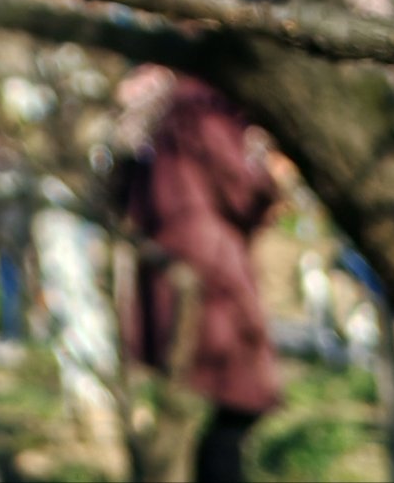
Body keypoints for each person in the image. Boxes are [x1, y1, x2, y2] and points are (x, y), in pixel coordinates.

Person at [122, 77, 282, 483]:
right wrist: (273, 179)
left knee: (207, 404)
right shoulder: (203, 109)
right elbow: (240, 189)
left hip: (179, 270)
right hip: (210, 273)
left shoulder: (169, 111)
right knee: (238, 398)